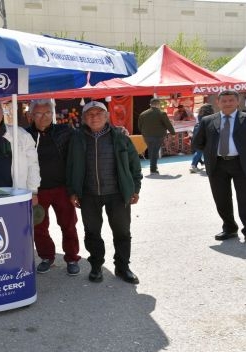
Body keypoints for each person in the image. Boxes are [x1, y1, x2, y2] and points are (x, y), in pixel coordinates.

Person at [67, 101, 143, 284]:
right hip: (89, 194)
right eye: (90, 114)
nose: (94, 117)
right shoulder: (77, 138)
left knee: (122, 232)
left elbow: (134, 163)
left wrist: (135, 188)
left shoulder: (119, 136)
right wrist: (73, 191)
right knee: (92, 232)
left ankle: (122, 267)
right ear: (84, 119)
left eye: (98, 113)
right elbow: (70, 166)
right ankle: (96, 266)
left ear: (107, 116)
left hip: (117, 193)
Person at [193, 90, 246, 247]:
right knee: (221, 199)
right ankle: (229, 228)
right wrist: (211, 152)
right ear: (218, 102)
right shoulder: (207, 120)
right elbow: (197, 142)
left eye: (231, 100)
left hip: (243, 165)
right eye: (224, 101)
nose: (228, 103)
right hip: (217, 165)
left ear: (238, 102)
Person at [26, 99, 80, 275]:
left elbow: (79, 151)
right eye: (39, 113)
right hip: (37, 190)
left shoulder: (65, 131)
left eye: (48, 113)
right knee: (39, 226)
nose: (44, 117)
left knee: (69, 224)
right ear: (31, 116)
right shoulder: (24, 135)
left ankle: (72, 257)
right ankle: (47, 256)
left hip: (62, 188)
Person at [138, 98, 176, 174]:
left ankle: (153, 166)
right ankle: (153, 168)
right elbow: (168, 124)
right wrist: (173, 133)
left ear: (150, 104)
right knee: (154, 152)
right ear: (158, 104)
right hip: (158, 135)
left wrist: (144, 132)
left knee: (151, 151)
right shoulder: (161, 113)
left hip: (146, 135)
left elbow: (139, 126)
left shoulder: (143, 114)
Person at [189, 104, 214, 173]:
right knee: (208, 151)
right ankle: (208, 165)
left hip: (198, 132)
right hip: (207, 132)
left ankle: (193, 165)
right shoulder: (211, 115)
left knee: (199, 150)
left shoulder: (199, 115)